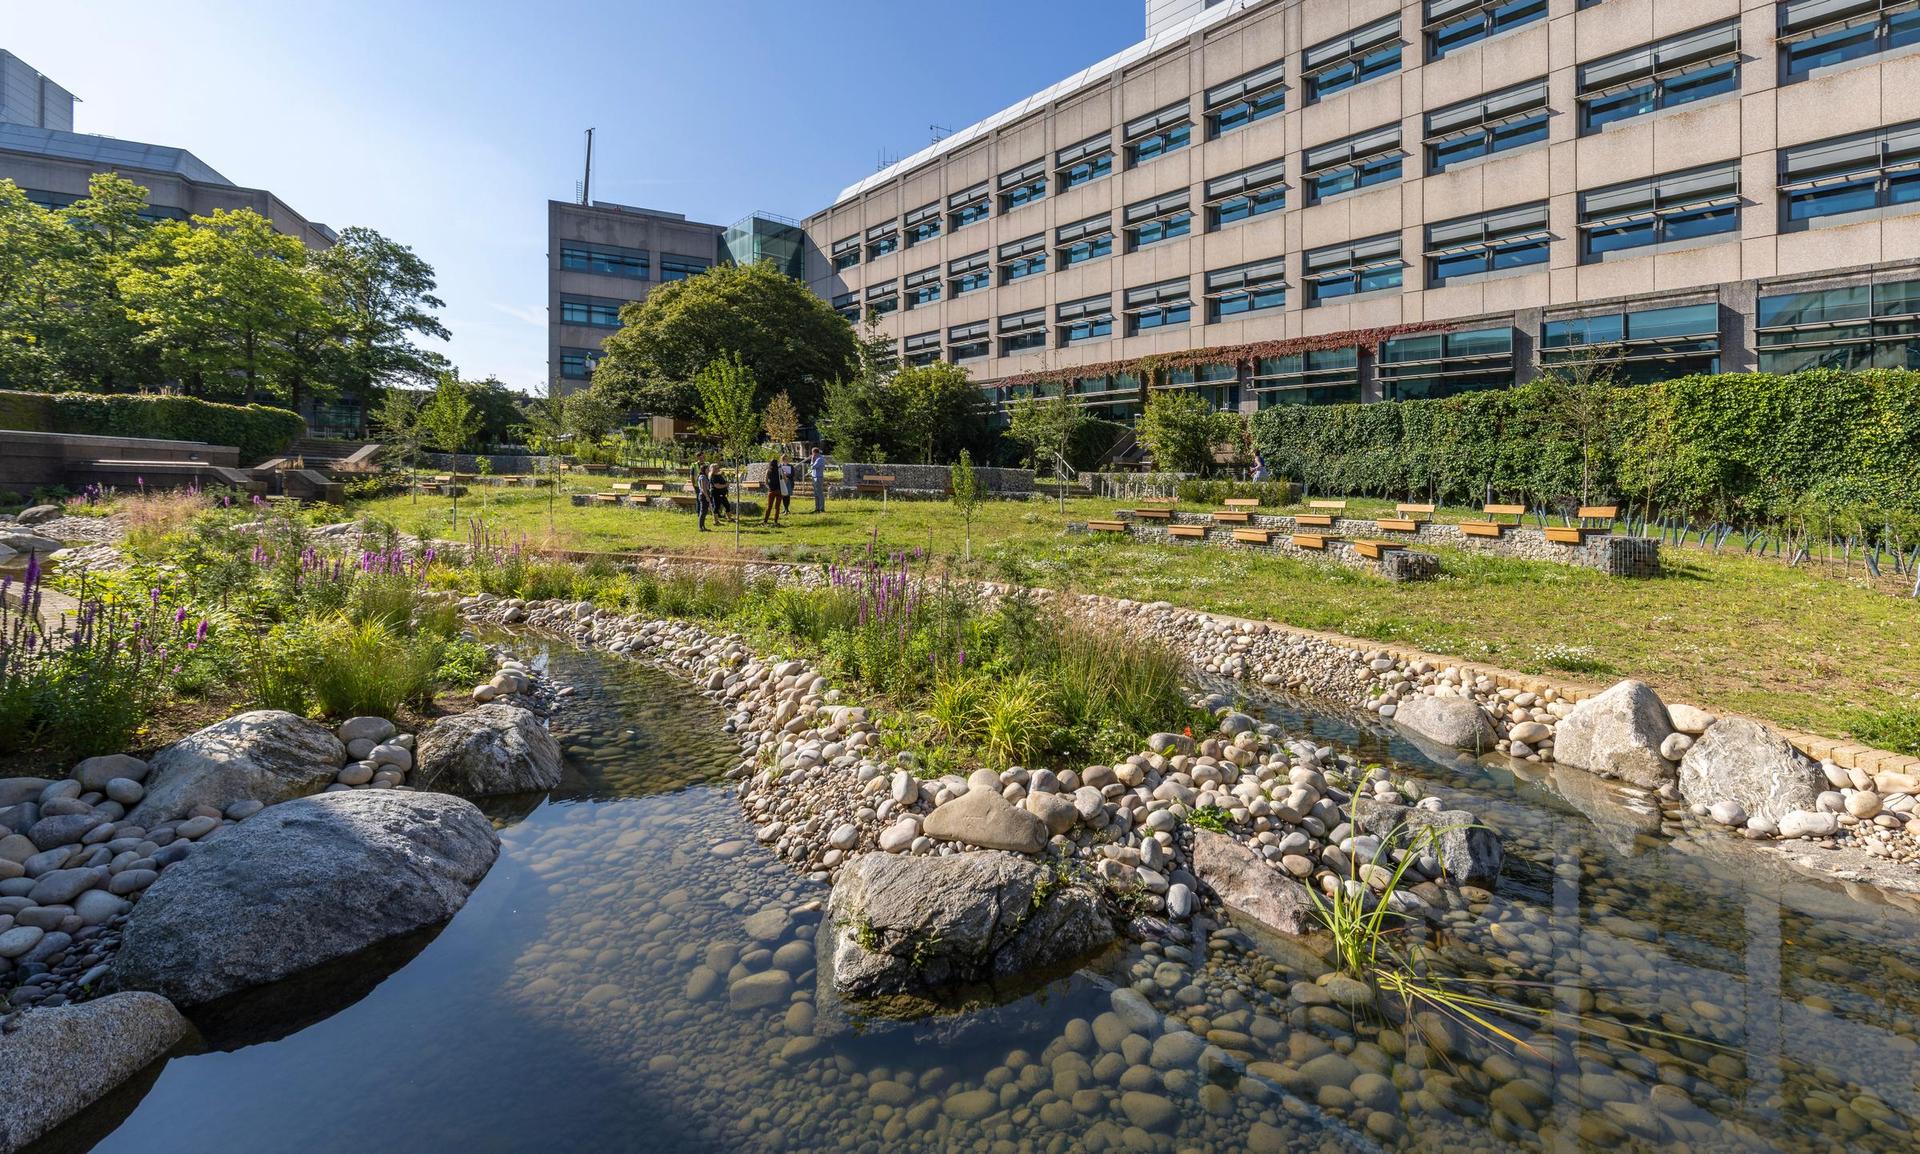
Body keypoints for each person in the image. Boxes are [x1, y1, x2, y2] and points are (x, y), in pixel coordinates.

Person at [759, 453, 783, 525]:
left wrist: (768, 487)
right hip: (779, 490)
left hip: (771, 490)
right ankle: (775, 521)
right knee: (777, 507)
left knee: (769, 507)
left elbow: (765, 481)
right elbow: (785, 479)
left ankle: (765, 521)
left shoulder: (768, 471)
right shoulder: (779, 470)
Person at [694, 456, 712, 532]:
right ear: (704, 470)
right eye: (708, 469)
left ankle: (703, 526)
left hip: (705, 494)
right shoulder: (703, 477)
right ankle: (700, 527)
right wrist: (707, 497)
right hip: (704, 495)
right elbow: (703, 488)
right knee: (702, 511)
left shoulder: (705, 476)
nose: (709, 470)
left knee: (704, 512)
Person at [809, 447, 827, 513]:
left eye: (812, 453)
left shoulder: (819, 459)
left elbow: (812, 467)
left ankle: (821, 508)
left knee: (819, 493)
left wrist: (812, 460)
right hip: (815, 477)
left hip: (818, 477)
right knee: (816, 494)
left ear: (814, 452)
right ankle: (817, 508)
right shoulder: (817, 458)